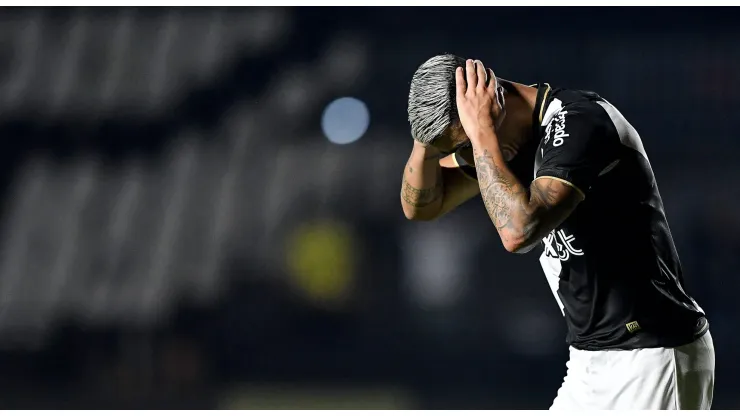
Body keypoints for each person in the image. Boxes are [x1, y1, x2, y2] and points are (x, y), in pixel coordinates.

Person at [401, 54, 714, 410]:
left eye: (466, 143)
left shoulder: (581, 122)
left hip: (652, 355)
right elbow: (420, 207)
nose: (468, 155)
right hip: (589, 358)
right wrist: (424, 141)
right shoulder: (500, 141)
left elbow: (518, 231)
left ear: (493, 101)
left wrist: (481, 133)